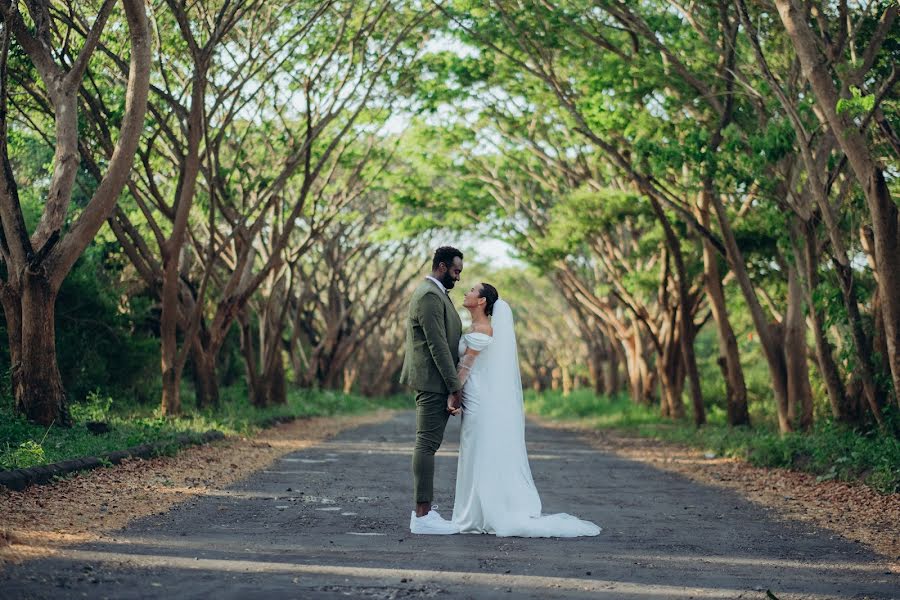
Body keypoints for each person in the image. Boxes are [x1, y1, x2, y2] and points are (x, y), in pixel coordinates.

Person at [451, 283, 602, 538]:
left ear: (482, 301)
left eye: (472, 290)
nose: (466, 292)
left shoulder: (484, 329)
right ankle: (473, 511)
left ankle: (483, 512)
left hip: (479, 399)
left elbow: (464, 370)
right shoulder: (474, 328)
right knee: (473, 449)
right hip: (475, 394)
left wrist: (452, 395)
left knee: (478, 448)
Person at [399, 246, 465, 534]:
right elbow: (437, 345)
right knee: (426, 444)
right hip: (432, 382)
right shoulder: (428, 296)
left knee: (429, 444)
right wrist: (455, 386)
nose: (458, 277)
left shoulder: (437, 294)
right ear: (441, 266)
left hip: (437, 381)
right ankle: (422, 515)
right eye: (455, 271)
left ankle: (424, 512)